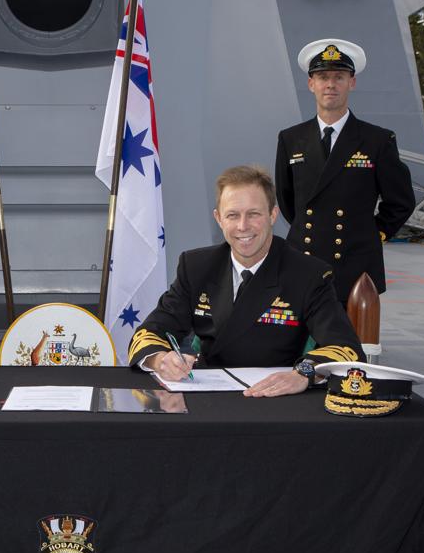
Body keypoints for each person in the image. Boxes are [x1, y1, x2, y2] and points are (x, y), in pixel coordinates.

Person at [128, 165, 363, 398]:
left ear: (273, 215)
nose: (242, 226)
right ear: (218, 218)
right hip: (209, 394)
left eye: (254, 214)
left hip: (277, 397)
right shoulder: (196, 266)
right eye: (232, 215)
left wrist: (302, 374)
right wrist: (161, 360)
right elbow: (149, 333)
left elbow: (345, 349)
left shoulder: (308, 274)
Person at [274, 38, 414, 303]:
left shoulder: (377, 140)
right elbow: (287, 200)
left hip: (353, 262)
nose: (330, 84)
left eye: (339, 77)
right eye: (323, 77)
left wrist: (371, 235)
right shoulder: (290, 139)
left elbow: (401, 201)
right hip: (303, 258)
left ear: (352, 82)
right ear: (311, 84)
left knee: (350, 342)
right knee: (299, 342)